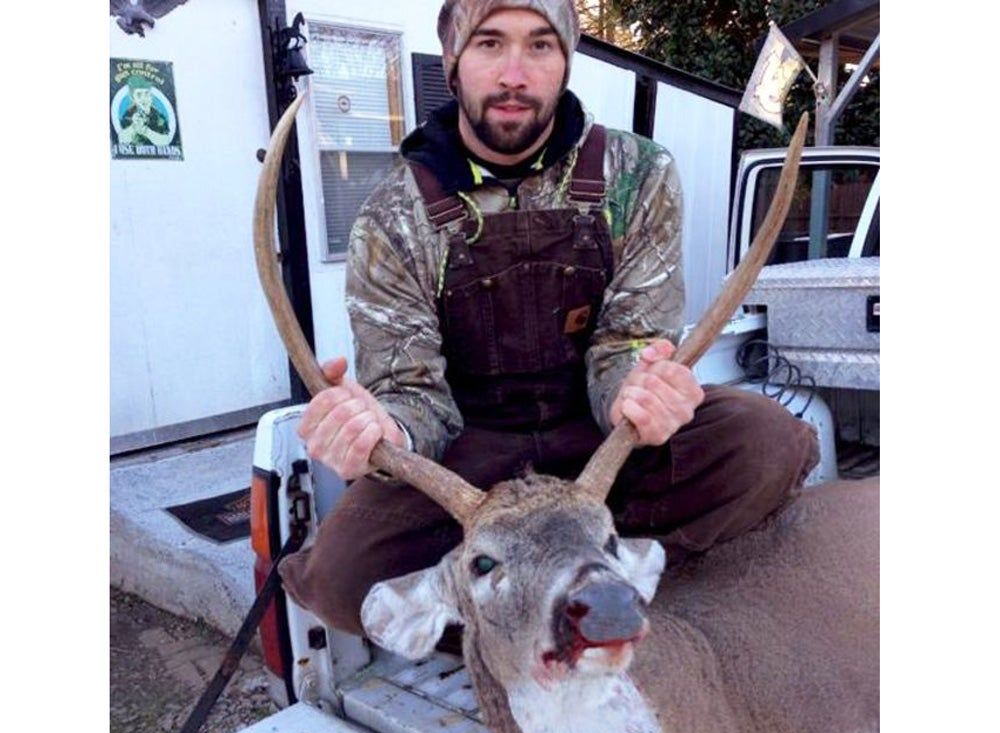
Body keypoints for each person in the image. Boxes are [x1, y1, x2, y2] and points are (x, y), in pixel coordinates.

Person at [279, 0, 819, 637]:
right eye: (488, 44)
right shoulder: (391, 216)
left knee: (766, 443)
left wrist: (638, 392)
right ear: (452, 60)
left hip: (600, 447)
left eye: (540, 45)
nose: (514, 73)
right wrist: (384, 427)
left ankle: (591, 592)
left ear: (566, 60)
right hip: (471, 468)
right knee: (345, 583)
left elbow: (629, 340)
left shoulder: (638, 175)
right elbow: (413, 393)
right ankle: (537, 619)